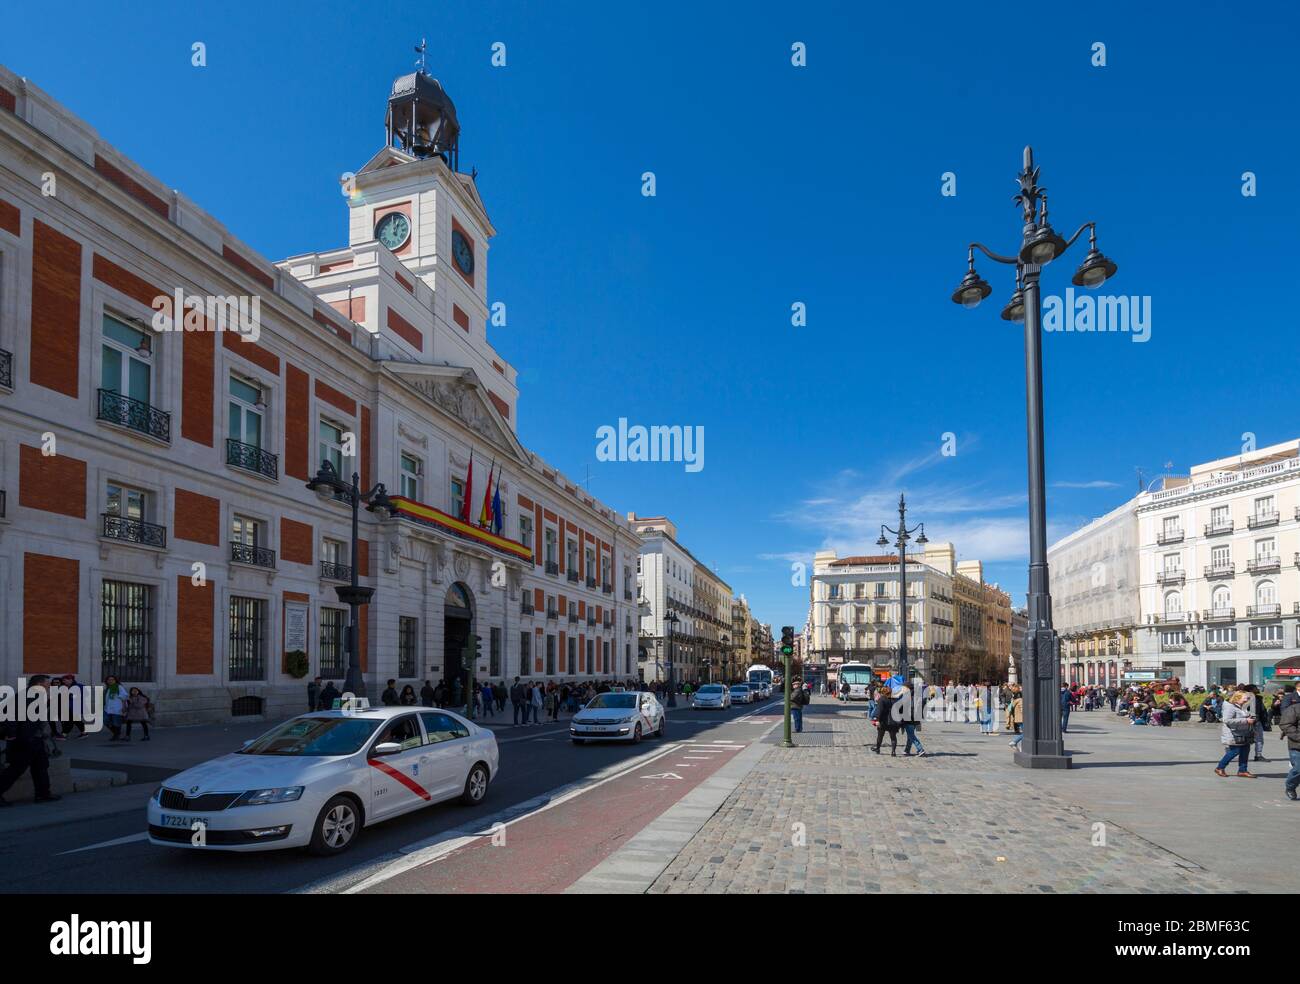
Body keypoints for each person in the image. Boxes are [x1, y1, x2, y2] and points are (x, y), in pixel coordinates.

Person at [0, 675, 60, 806]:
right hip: (24, 739)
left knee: (41, 766)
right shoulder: (26, 696)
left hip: (36, 739)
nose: (49, 685)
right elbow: (11, 716)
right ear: (39, 683)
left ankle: (43, 794)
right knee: (16, 769)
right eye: (47, 683)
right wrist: (12, 734)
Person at [1215, 689, 1256, 778]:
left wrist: (1248, 716)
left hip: (1243, 733)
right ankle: (1220, 767)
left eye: (1247, 698)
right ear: (1237, 698)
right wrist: (1246, 720)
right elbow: (1227, 720)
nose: (1246, 700)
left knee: (1245, 750)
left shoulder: (1240, 706)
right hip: (1233, 733)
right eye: (1245, 698)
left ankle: (1242, 770)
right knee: (1234, 751)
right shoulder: (1230, 707)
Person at [1280, 692, 1300, 802]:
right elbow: (1285, 724)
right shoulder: (1294, 708)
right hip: (1297, 745)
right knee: (1298, 769)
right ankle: (1290, 787)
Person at [898, 685, 927, 758]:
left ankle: (920, 749)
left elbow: (901, 708)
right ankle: (907, 750)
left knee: (911, 735)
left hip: (909, 719)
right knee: (910, 735)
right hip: (916, 718)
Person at [871, 686, 900, 756]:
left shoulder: (882, 699)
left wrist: (876, 719)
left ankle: (878, 748)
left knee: (880, 736)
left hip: (883, 721)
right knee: (893, 737)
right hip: (893, 721)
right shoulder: (895, 700)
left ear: (883, 692)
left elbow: (879, 710)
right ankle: (893, 752)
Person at [103, 676, 127, 741]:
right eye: (109, 679)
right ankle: (117, 733)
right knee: (105, 721)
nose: (110, 681)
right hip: (107, 708)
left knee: (116, 723)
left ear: (115, 680)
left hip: (117, 708)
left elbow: (124, 696)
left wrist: (124, 707)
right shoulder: (108, 688)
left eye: (112, 679)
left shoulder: (119, 687)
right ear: (107, 681)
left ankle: (116, 735)